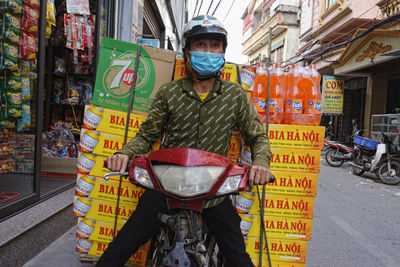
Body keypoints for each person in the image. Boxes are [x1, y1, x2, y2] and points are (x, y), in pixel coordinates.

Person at [96, 15, 272, 267]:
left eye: (215, 46)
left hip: (213, 193)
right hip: (166, 188)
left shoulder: (235, 95)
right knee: (120, 248)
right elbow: (147, 134)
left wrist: (261, 164)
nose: (208, 52)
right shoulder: (170, 92)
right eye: (201, 45)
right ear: (188, 51)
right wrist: (124, 153)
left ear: (223, 51)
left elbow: (257, 137)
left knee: (238, 256)